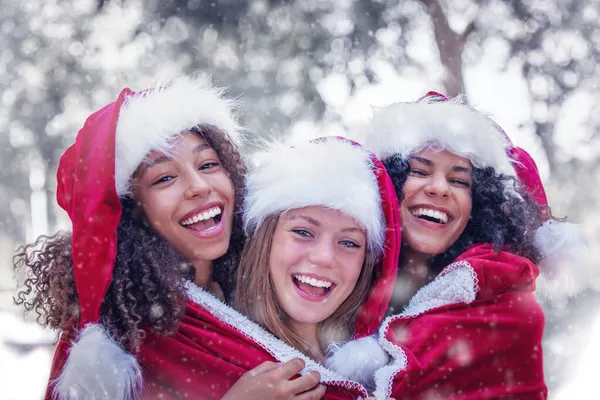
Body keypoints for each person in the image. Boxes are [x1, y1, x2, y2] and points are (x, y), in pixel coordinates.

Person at [14, 77, 401, 399]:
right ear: (134, 210)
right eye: (165, 177)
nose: (199, 186)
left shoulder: (259, 289)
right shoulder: (120, 337)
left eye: (208, 164)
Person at [332, 92, 586, 399]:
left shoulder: (507, 312)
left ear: (478, 205)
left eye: (459, 181)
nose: (439, 188)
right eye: (420, 171)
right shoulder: (331, 275)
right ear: (389, 184)